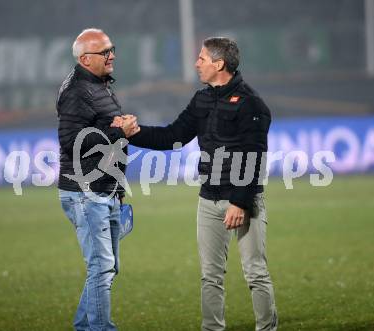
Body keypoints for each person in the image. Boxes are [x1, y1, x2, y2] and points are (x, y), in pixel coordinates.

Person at [128, 37, 278, 331]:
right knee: (210, 275)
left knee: (255, 273)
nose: (196, 63)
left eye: (201, 58)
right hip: (208, 199)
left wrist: (239, 202)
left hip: (244, 201)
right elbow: (173, 135)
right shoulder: (202, 99)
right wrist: (134, 133)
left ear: (218, 64)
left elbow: (255, 158)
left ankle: (267, 328)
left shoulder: (251, 103)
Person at [56, 28, 139, 331]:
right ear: (86, 58)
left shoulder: (99, 84)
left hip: (104, 189)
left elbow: (99, 130)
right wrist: (118, 131)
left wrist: (117, 188)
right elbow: (69, 141)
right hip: (85, 192)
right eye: (106, 51)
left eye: (112, 49)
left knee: (106, 268)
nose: (112, 55)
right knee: (101, 267)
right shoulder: (77, 90)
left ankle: (84, 326)